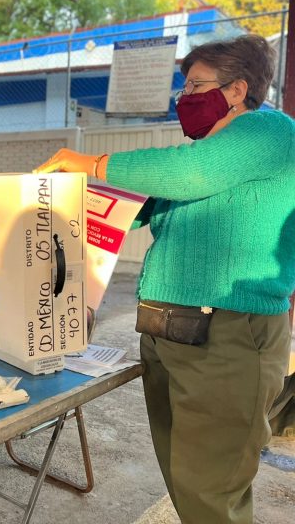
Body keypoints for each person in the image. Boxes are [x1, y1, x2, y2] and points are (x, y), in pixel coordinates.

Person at [35, 34, 295, 523]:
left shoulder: (269, 133)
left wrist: (91, 163)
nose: (184, 98)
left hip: (229, 335)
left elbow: (192, 175)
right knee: (184, 475)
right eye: (183, 88)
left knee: (212, 489)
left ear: (238, 90)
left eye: (195, 85)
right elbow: (133, 209)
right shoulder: (201, 155)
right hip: (169, 330)